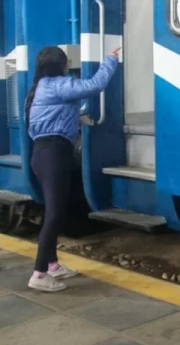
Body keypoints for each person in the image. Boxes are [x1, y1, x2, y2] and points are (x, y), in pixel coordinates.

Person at [24, 45, 120, 292]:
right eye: (66, 61)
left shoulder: (42, 86)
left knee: (55, 211)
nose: (69, 65)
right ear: (60, 65)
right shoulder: (58, 85)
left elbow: (58, 114)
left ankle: (52, 265)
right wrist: (110, 60)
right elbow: (95, 85)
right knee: (54, 215)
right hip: (52, 155)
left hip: (47, 153)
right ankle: (39, 274)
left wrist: (77, 119)